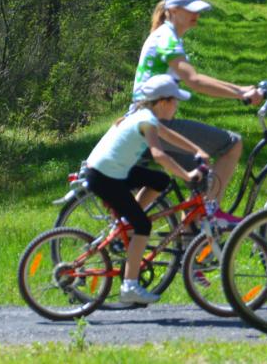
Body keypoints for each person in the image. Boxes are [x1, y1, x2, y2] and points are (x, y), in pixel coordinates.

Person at [132, 0, 261, 224]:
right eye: (190, 9)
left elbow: (195, 78)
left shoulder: (165, 35)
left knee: (199, 175)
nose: (196, 14)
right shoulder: (166, 39)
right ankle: (210, 214)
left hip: (144, 121)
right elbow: (195, 80)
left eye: (198, 9)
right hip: (154, 124)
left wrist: (241, 90)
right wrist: (240, 93)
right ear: (172, 10)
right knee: (232, 144)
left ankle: (187, 233)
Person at [85, 74, 206, 304]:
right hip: (105, 177)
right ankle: (130, 285)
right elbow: (159, 155)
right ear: (162, 102)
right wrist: (187, 175)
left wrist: (197, 150)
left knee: (160, 181)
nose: (177, 106)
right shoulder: (147, 121)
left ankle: (126, 223)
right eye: (175, 101)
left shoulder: (144, 115)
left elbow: (169, 136)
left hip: (108, 171)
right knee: (143, 225)